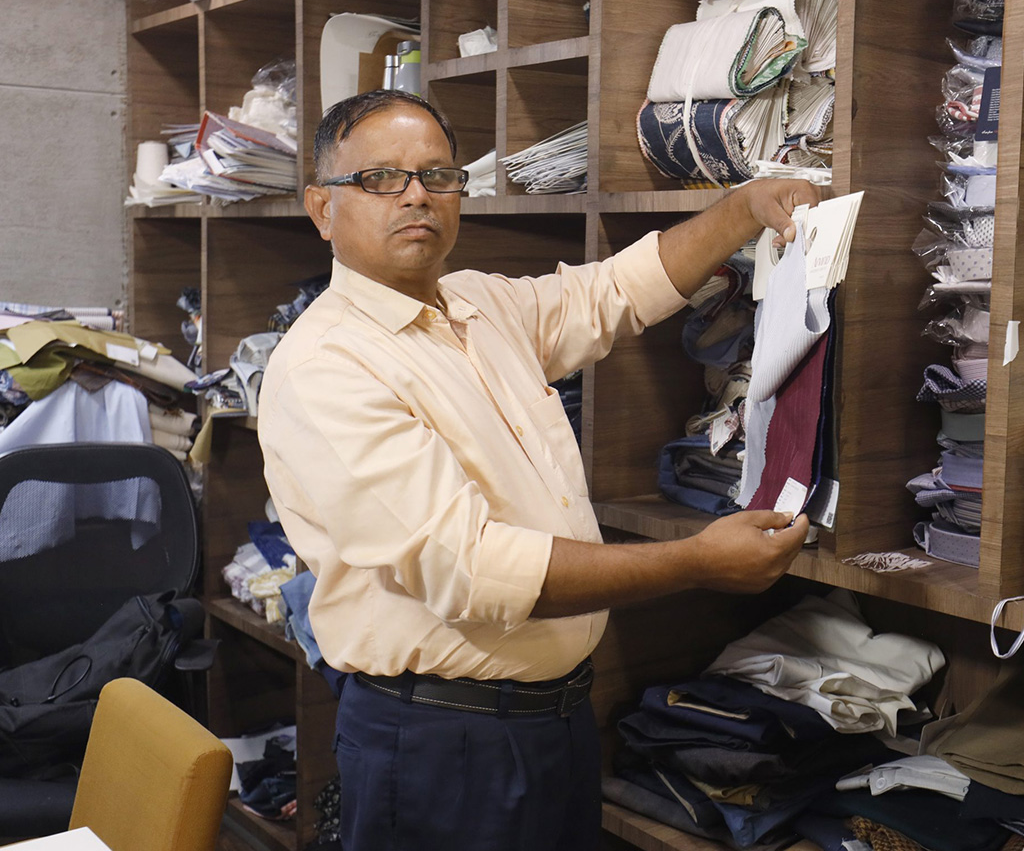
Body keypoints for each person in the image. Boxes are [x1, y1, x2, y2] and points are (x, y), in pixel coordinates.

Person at [258, 88, 817, 851]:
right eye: (382, 178)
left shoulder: (477, 305)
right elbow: (472, 570)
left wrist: (746, 208)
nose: (417, 194)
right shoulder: (327, 367)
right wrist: (695, 561)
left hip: (552, 724)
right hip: (440, 742)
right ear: (323, 208)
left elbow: (613, 292)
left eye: (437, 174)